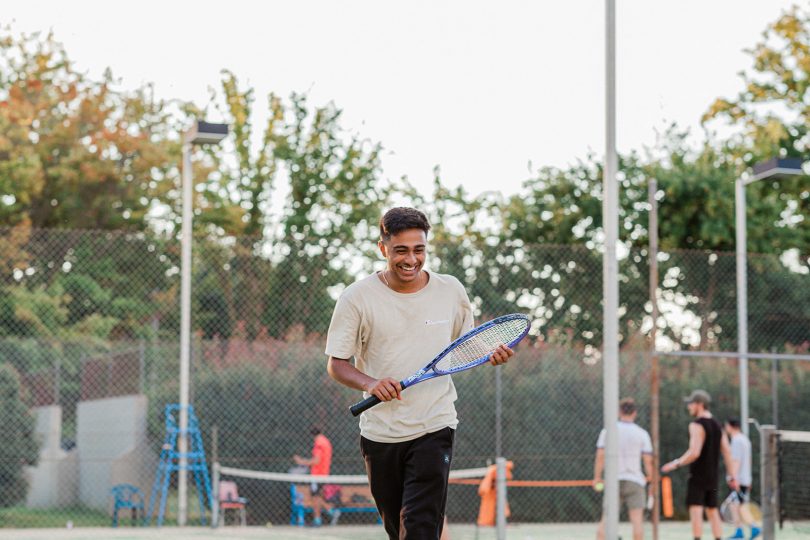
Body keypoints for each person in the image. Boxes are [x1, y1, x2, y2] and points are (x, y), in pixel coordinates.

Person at [325, 207, 515, 539]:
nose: (411, 259)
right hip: (380, 434)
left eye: (419, 249)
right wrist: (371, 383)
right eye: (401, 250)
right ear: (383, 248)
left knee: (420, 528)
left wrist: (490, 354)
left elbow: (465, 347)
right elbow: (337, 364)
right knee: (397, 530)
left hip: (434, 425)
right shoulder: (356, 298)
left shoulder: (450, 290)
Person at [661, 389, 738, 540]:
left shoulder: (696, 425)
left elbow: (694, 452)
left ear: (700, 405)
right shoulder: (717, 425)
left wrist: (675, 463)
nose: (689, 407)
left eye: (691, 403)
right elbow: (727, 451)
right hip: (713, 477)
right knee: (712, 510)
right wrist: (732, 475)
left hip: (698, 476)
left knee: (696, 509)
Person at [593, 397, 653, 540]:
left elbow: (600, 456)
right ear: (635, 413)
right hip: (635, 480)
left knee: (606, 519)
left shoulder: (608, 431)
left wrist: (597, 477)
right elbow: (647, 460)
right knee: (637, 521)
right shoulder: (641, 433)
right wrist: (651, 479)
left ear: (619, 412)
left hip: (614, 480)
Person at [293, 427, 338, 526]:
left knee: (315, 497)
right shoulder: (326, 442)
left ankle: (320, 518)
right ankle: (328, 512)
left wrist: (301, 462)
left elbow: (316, 461)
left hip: (317, 475)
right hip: (323, 473)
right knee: (316, 496)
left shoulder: (319, 443)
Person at [724, 418, 760, 540]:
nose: (726, 428)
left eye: (726, 425)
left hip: (739, 479)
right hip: (744, 479)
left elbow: (736, 461)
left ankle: (751, 528)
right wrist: (748, 479)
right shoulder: (745, 440)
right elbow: (749, 460)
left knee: (737, 506)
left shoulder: (736, 440)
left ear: (731, 426)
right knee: (736, 505)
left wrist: (734, 478)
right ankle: (741, 530)